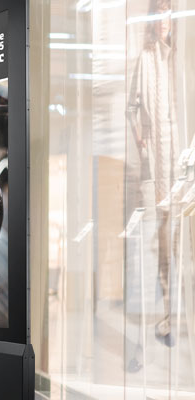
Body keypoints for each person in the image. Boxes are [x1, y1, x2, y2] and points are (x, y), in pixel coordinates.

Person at [127, 0, 180, 353]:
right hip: (154, 168)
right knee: (153, 243)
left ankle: (172, 317)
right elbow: (131, 107)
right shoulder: (146, 58)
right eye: (159, 10)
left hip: (179, 167)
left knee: (174, 245)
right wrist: (141, 141)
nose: (164, 18)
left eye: (169, 10)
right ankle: (148, 332)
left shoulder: (179, 58)